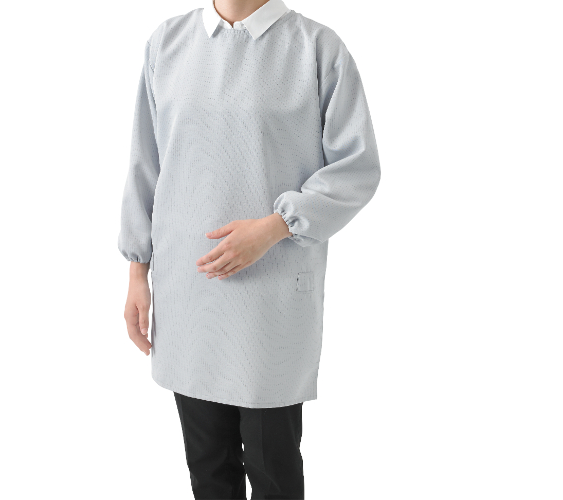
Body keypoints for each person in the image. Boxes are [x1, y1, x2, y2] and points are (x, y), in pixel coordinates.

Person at [118, 0, 381, 497]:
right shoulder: (167, 44)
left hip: (270, 300)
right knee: (207, 469)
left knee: (273, 467)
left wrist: (275, 226)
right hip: (188, 294)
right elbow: (145, 163)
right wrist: (137, 271)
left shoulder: (315, 49)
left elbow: (357, 166)